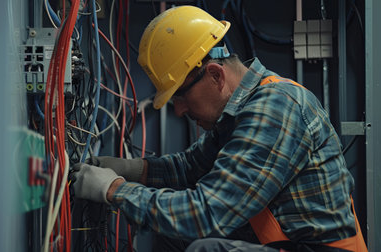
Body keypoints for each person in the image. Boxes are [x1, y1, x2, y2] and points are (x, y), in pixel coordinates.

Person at [72, 5, 367, 252]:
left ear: (214, 75)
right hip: (284, 244)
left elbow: (207, 214)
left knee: (205, 248)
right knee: (174, 230)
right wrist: (131, 169)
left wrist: (113, 189)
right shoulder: (240, 114)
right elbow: (190, 168)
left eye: (181, 96)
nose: (179, 110)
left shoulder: (275, 109)